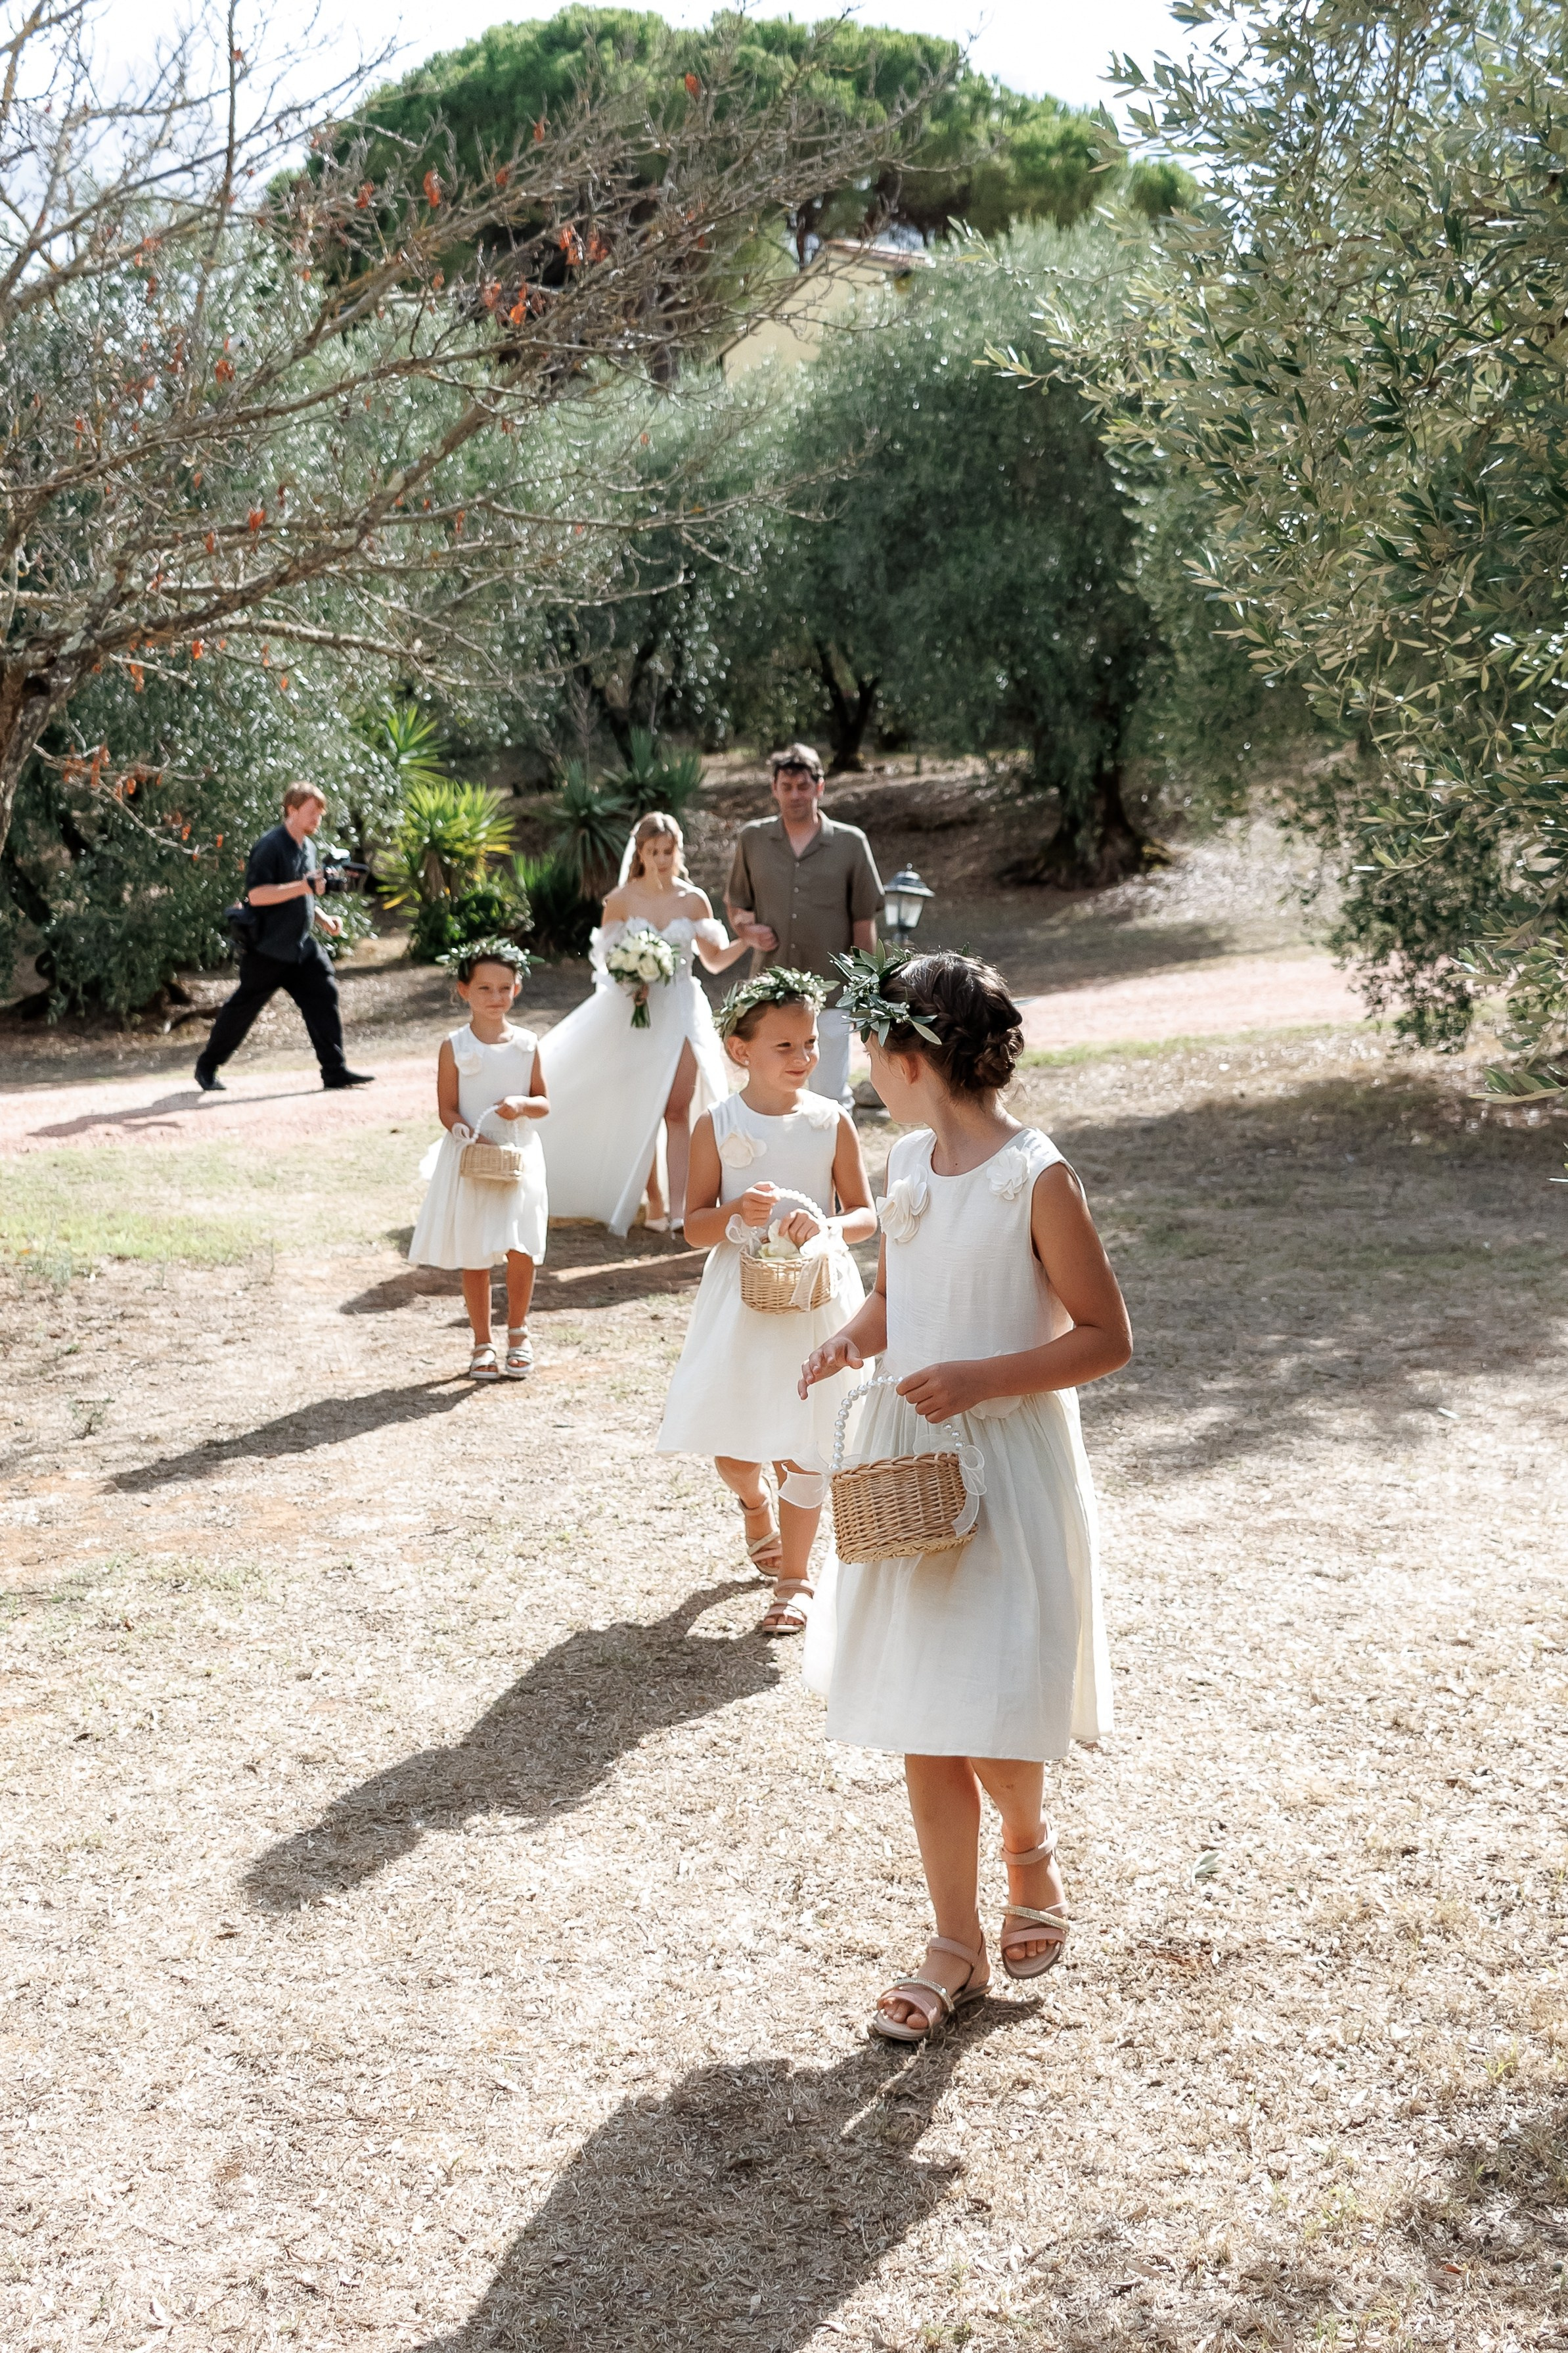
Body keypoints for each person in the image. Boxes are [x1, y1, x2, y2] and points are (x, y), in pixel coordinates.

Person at [799, 948, 1132, 2042]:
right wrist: (851, 1338)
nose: (858, 1063)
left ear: (910, 1055)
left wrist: (984, 1376)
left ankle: (1027, 1844)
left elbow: (1104, 1338)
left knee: (989, 1696)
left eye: (866, 1043)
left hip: (1004, 1463)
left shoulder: (1032, 1175)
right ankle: (954, 1942)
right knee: (922, 1714)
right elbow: (900, 1297)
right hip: (909, 1467)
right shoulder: (902, 1168)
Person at [656, 969, 878, 1635]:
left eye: (809, 1042)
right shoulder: (716, 1126)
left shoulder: (830, 1120)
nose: (804, 1058)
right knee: (736, 1449)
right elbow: (692, 1225)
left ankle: (795, 1577)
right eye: (784, 1046)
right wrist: (731, 1212)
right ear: (738, 1048)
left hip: (814, 1295)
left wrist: (830, 1228)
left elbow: (865, 1213)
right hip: (743, 1302)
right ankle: (754, 1504)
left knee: (807, 1440)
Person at [539, 812, 748, 1236]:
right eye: (654, 852)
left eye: (669, 851)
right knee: (642, 1109)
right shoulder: (620, 900)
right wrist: (632, 979)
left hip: (683, 1010)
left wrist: (748, 940)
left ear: (678, 850)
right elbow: (605, 965)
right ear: (641, 853)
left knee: (677, 1107)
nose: (662, 859)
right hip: (634, 1014)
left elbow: (712, 960)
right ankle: (653, 1203)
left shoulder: (693, 901)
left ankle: (681, 1209)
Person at [408, 939, 550, 1382]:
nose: (495, 997)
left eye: (504, 988)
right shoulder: (453, 1045)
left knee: (519, 1244)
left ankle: (519, 1333)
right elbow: (447, 1107)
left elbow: (544, 1101)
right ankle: (481, 1341)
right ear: (463, 990)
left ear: (517, 989)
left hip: (517, 1154)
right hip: (472, 1156)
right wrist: (465, 1133)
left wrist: (522, 1106)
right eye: (485, 988)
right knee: (476, 1250)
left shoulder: (527, 1044)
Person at [725, 743, 883, 1112]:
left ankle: (832, 1169)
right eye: (787, 787)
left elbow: (864, 922)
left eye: (803, 786)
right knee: (773, 1098)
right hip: (770, 993)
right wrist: (746, 931)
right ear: (774, 789)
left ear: (820, 787)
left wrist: (867, 991)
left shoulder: (851, 844)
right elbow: (736, 903)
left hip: (831, 995)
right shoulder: (752, 839)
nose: (795, 795)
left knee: (829, 1100)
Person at [195, 783, 374, 1093]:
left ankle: (335, 1071)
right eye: (312, 811)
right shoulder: (271, 845)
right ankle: (207, 1066)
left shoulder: (308, 847)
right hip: (267, 948)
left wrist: (322, 918)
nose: (318, 818)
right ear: (291, 810)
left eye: (320, 812)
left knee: (324, 993)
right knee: (243, 1009)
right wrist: (305, 887)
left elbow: (302, 891)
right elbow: (258, 895)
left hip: (300, 946)